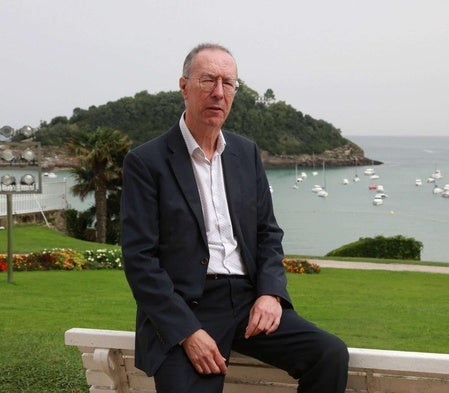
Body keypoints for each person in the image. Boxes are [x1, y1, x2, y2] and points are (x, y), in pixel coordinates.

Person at [120, 43, 349, 393]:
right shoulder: (146, 162)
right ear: (184, 87)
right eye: (208, 80)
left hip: (247, 301)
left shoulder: (245, 153)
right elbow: (140, 260)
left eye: (228, 83)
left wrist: (271, 293)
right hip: (188, 306)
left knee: (329, 355)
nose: (218, 92)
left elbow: (268, 234)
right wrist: (187, 332)